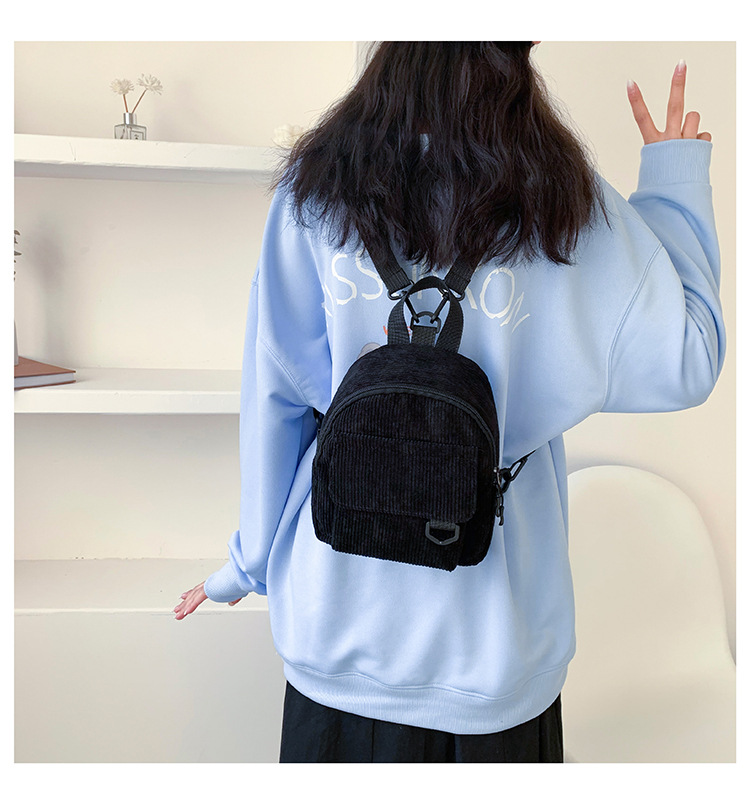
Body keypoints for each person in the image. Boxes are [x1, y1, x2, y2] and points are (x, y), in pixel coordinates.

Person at [173, 42, 725, 763]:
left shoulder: (316, 188)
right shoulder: (563, 196)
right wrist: (674, 185)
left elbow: (275, 396)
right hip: (494, 652)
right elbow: (688, 359)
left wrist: (246, 565)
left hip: (337, 631)